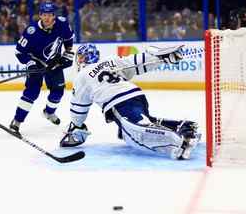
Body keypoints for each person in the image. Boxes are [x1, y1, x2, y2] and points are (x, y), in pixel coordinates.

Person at [60, 43, 201, 160]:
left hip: (119, 102)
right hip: (137, 96)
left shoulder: (81, 76)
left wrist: (76, 125)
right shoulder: (110, 61)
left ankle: (178, 141)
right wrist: (162, 58)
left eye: (80, 56)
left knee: (135, 135)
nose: (79, 60)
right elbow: (138, 62)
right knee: (141, 123)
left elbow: (78, 106)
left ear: (83, 58)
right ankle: (184, 126)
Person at [9, 1, 74, 135]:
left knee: (58, 92)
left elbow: (69, 39)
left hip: (54, 63)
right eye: (44, 15)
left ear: (54, 16)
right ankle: (16, 121)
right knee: (32, 93)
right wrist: (29, 63)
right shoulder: (31, 31)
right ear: (40, 15)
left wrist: (68, 52)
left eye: (50, 15)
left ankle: (49, 113)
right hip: (36, 63)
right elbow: (19, 52)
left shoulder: (62, 24)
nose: (47, 18)